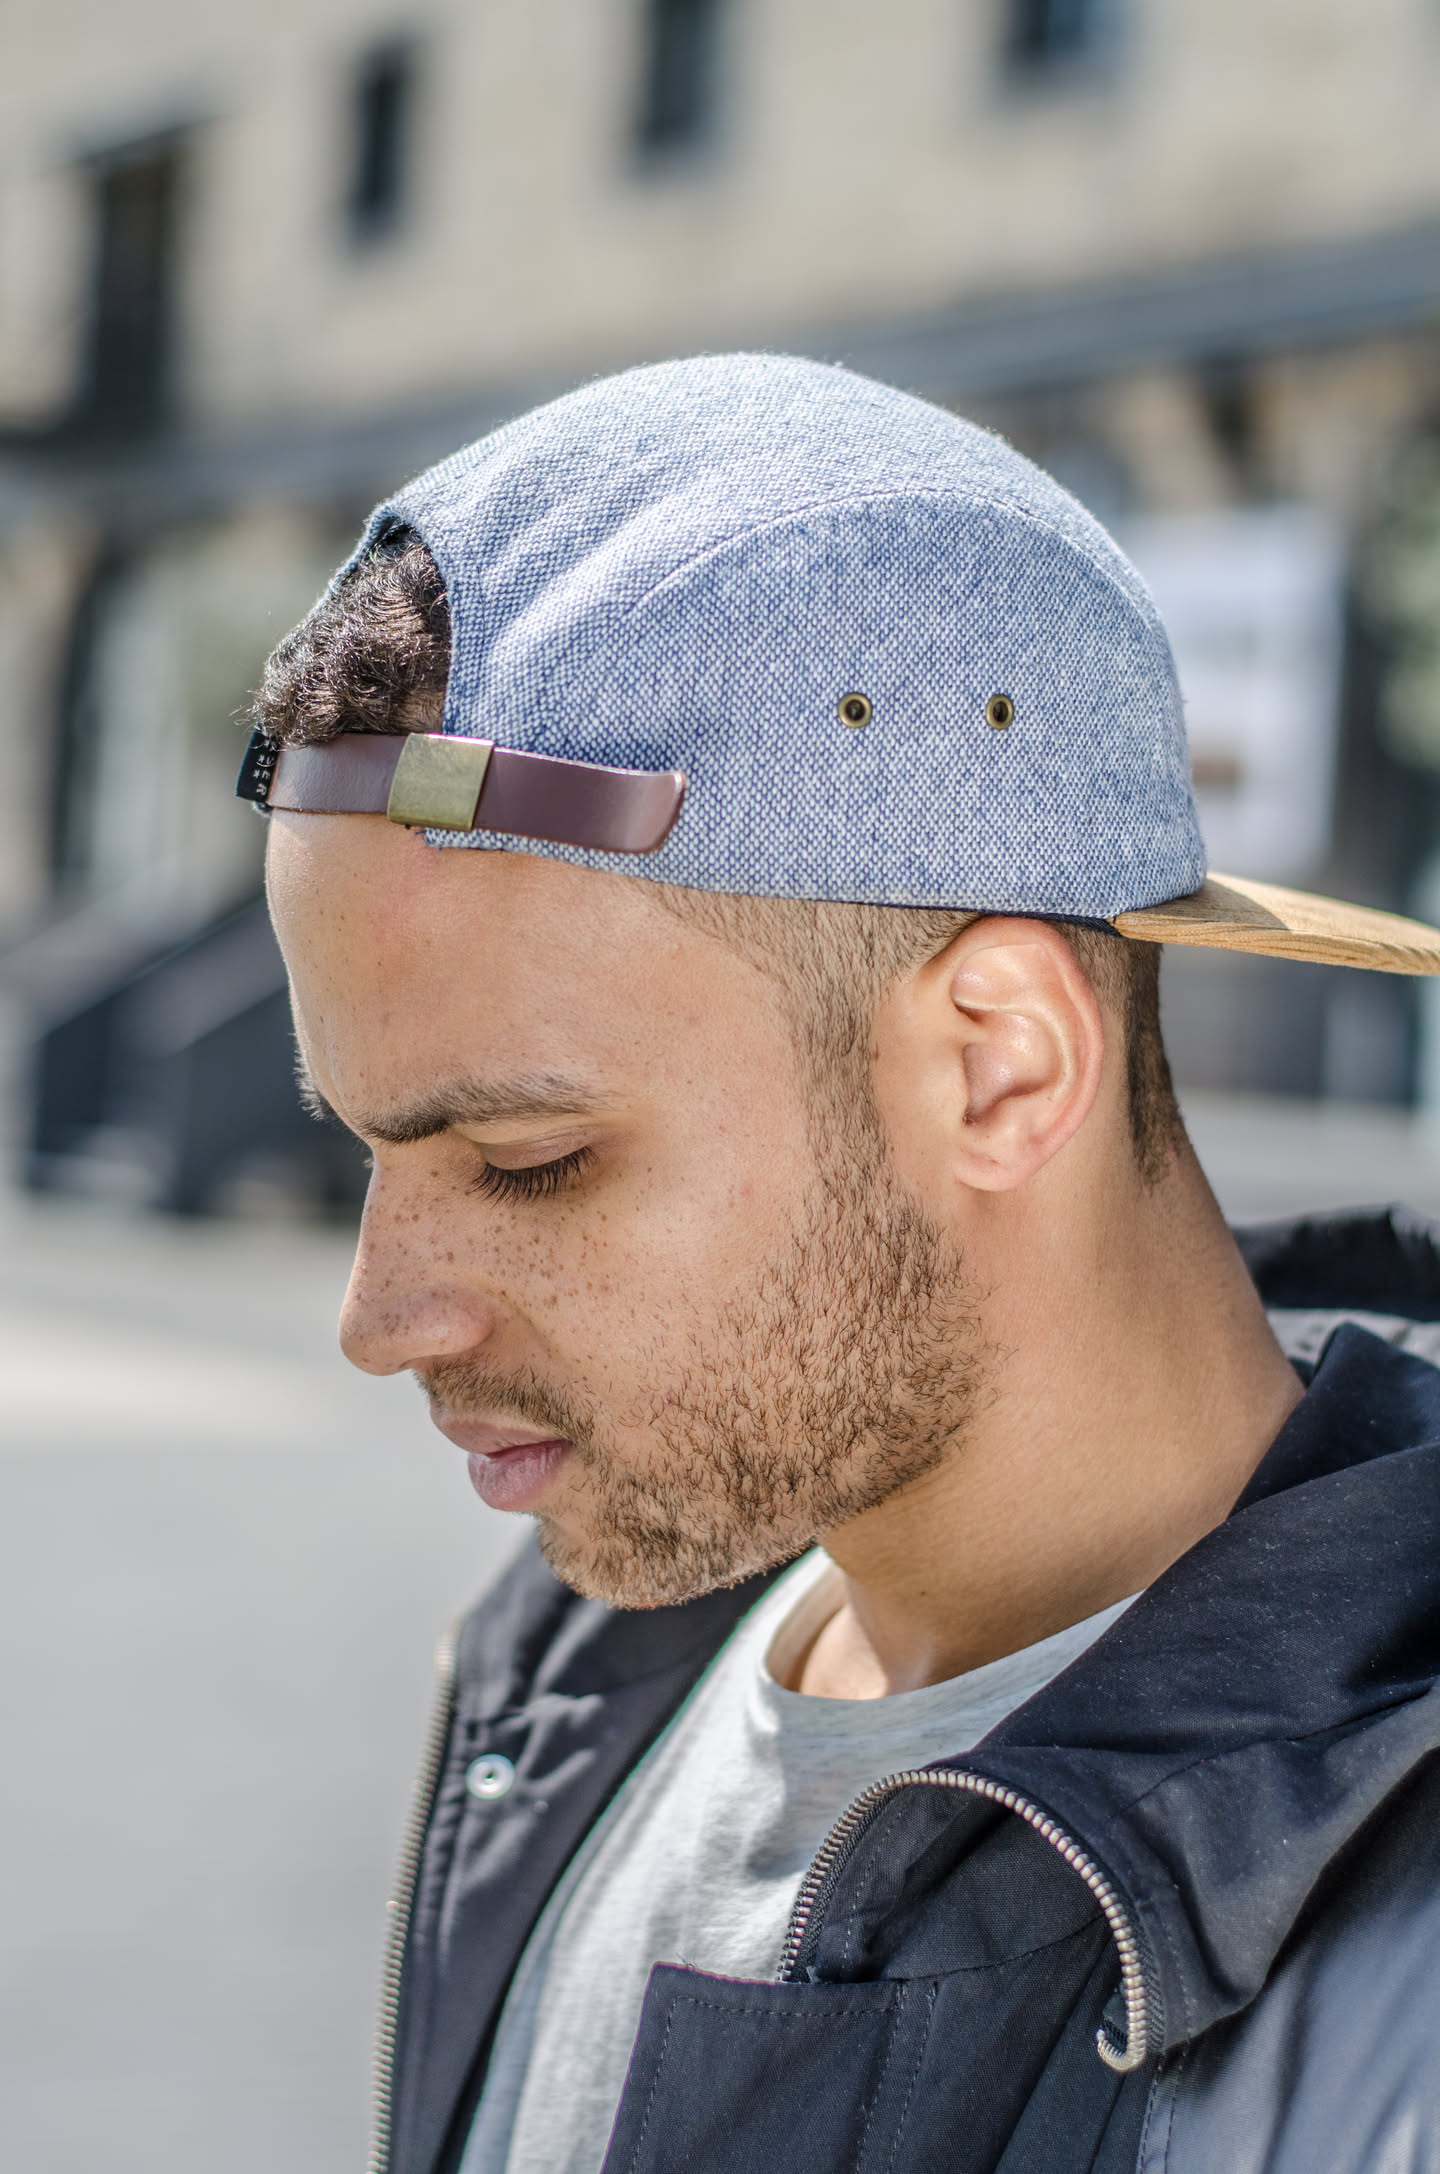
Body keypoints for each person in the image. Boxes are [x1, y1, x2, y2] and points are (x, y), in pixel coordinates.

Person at [244, 355, 1440, 2174]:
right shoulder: (581, 1677)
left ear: (999, 1065)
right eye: (367, 1148)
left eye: (528, 1159)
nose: (379, 1316)